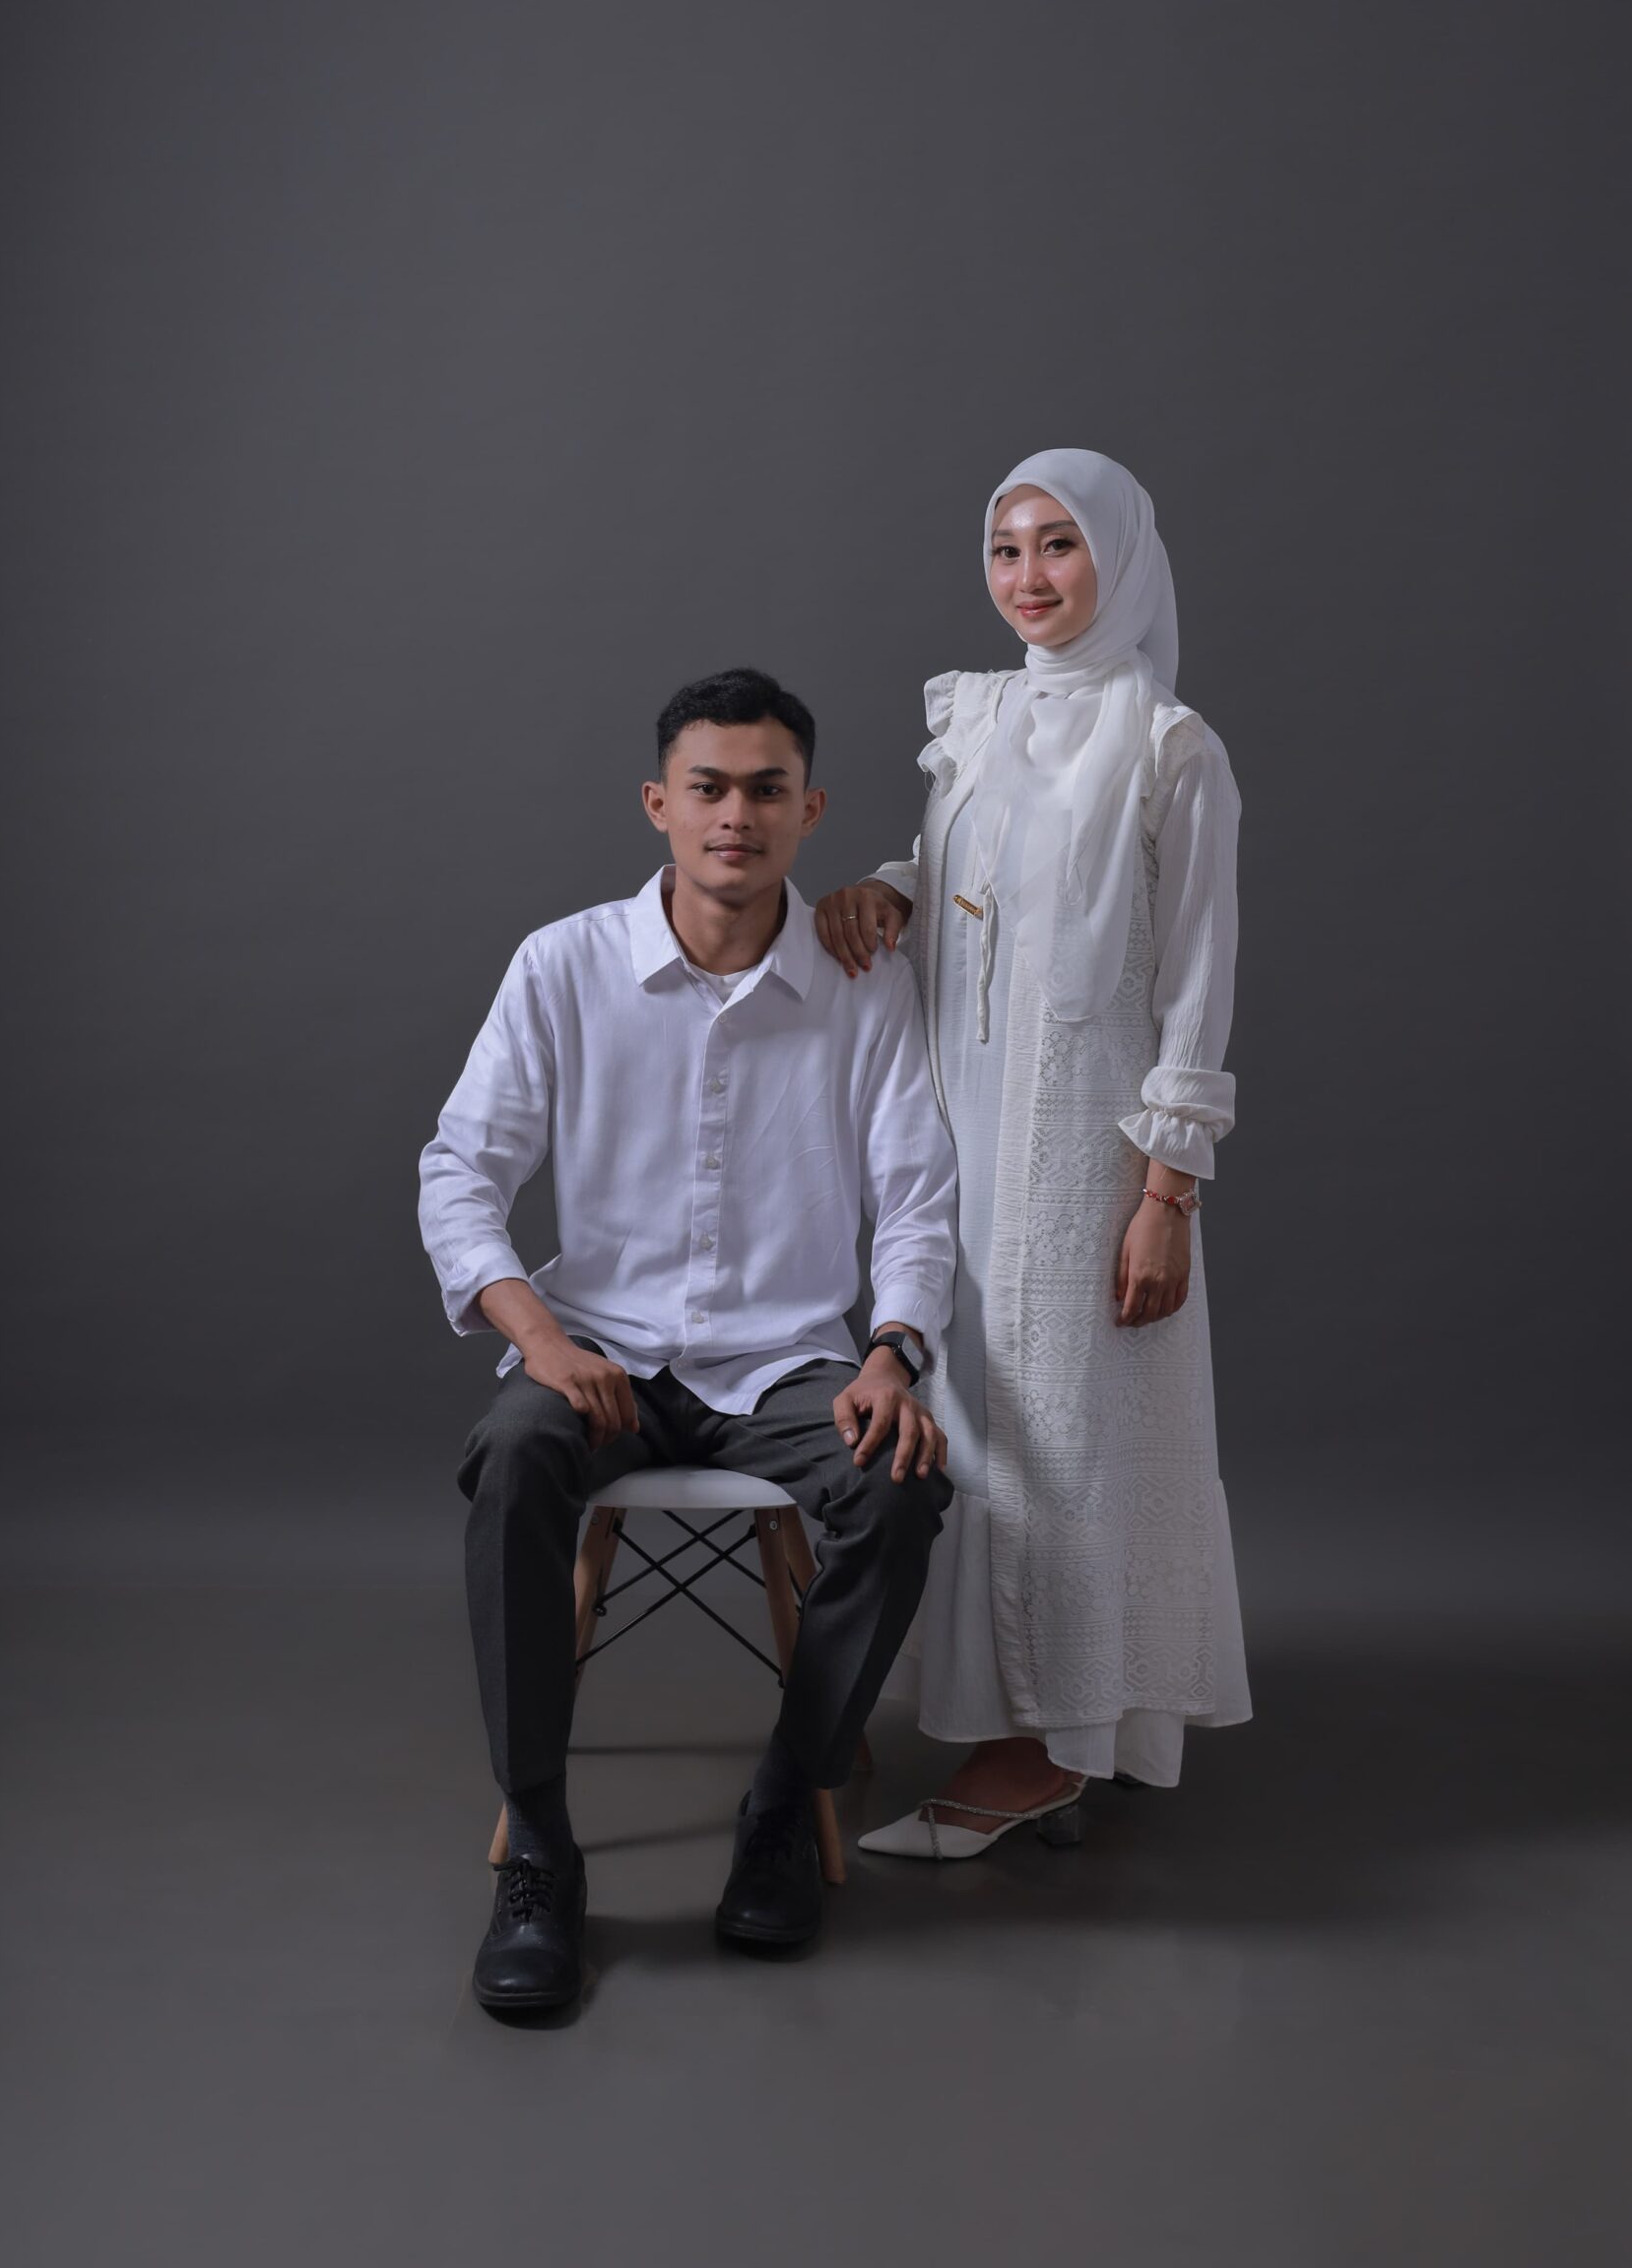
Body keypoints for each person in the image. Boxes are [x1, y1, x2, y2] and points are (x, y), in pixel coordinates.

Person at [419, 668, 957, 2010]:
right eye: (707, 788)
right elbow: (459, 1172)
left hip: (786, 1364)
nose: (736, 817)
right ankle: (541, 1847)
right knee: (513, 1457)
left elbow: (915, 1199)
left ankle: (781, 1801)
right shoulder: (563, 965)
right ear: (659, 804)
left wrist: (891, 1354)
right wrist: (541, 1339)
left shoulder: (861, 982)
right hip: (599, 1353)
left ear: (809, 810)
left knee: (901, 1481)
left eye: (767, 790)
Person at [815, 450, 1251, 1861]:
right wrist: (893, 887)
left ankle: (1040, 1747)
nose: (1027, 576)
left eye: (1058, 544)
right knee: (977, 1411)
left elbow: (1196, 980)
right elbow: (974, 872)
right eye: (1005, 548)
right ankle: (1030, 1716)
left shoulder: (1169, 747)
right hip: (964, 1119)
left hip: (1085, 1147)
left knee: (1066, 1431)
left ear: (1119, 557)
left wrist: (1168, 1191)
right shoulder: (982, 718)